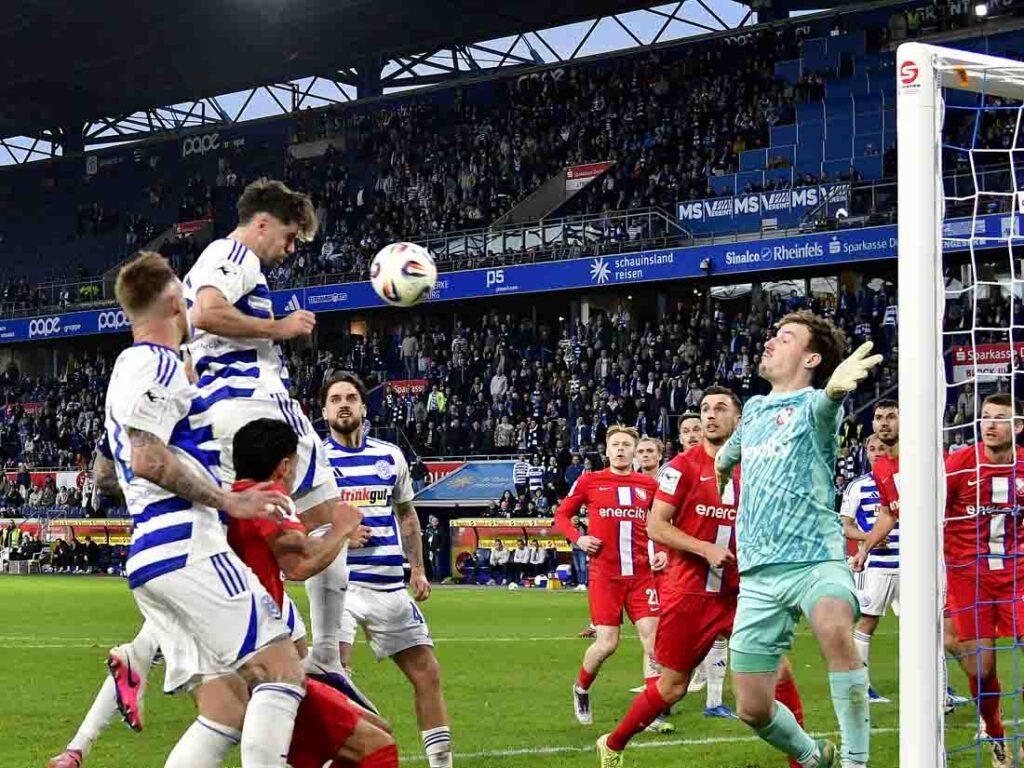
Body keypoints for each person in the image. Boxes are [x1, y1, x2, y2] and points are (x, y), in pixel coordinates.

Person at [99, 251, 306, 768]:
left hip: (149, 556)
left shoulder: (127, 368)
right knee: (282, 671)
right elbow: (148, 457)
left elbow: (108, 471)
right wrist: (228, 499)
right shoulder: (160, 364)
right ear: (175, 301)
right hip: (189, 548)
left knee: (225, 710)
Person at [183, 179, 350, 680]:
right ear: (263, 223)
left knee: (243, 538)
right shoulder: (234, 253)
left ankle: (245, 645)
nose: (290, 248)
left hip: (221, 416)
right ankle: (325, 651)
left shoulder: (210, 263)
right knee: (331, 516)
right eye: (290, 236)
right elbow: (207, 313)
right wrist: (280, 328)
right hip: (257, 408)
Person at [598, 386, 806, 768]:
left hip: (743, 592)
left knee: (778, 669)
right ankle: (612, 744)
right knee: (673, 687)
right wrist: (704, 548)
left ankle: (802, 763)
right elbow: (657, 526)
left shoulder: (756, 466)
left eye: (720, 408)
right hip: (691, 593)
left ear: (738, 420)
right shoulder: (682, 468)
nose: (710, 415)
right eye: (705, 409)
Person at [715, 311, 882, 768]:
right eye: (772, 334)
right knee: (751, 707)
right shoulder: (752, 410)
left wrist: (833, 390)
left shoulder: (814, 405)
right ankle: (812, 757)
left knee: (832, 624)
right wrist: (722, 467)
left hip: (814, 559)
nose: (770, 342)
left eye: (784, 338)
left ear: (810, 357)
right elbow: (732, 450)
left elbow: (827, 407)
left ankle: (855, 761)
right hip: (758, 574)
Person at [858, 392, 1024, 767]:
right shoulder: (958, 465)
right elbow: (920, 512)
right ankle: (996, 734)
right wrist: (868, 544)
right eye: (985, 417)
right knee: (981, 668)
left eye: (1000, 418)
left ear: (1018, 427)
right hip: (968, 578)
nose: (990, 424)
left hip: (1017, 574)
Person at [227, 418, 396, 768]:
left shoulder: (228, 501)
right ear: (285, 465)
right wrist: (342, 527)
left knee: (367, 734)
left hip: (232, 657)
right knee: (377, 748)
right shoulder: (270, 501)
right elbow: (300, 565)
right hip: (264, 664)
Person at [321, 371, 454, 768]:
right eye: (335, 399)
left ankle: (442, 764)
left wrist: (418, 569)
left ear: (363, 407)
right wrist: (339, 534)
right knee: (337, 678)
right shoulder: (316, 460)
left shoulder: (389, 455)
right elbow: (298, 520)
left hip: (389, 587)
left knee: (427, 673)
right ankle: (353, 753)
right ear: (325, 411)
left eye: (350, 397)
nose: (343, 404)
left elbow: (407, 515)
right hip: (338, 588)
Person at [851, 401, 970, 715]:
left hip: (944, 557)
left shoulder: (925, 457)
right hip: (914, 561)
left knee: (948, 635)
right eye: (878, 418)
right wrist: (865, 548)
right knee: (937, 633)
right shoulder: (881, 468)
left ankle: (978, 692)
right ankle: (947, 696)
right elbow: (889, 514)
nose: (884, 423)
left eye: (891, 417)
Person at [554, 426, 664, 727]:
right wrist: (579, 538)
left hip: (641, 574)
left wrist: (664, 550)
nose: (620, 449)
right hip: (605, 576)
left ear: (634, 451)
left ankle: (651, 710)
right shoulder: (591, 481)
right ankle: (581, 688)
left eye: (626, 445)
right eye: (615, 444)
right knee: (607, 644)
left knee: (654, 644)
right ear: (606, 450)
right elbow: (562, 515)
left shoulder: (648, 485)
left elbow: (665, 523)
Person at [839, 431, 894, 704]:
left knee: (927, 625)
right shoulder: (857, 487)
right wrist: (870, 539)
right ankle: (862, 686)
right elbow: (846, 527)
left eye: (882, 447)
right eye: (872, 448)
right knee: (867, 621)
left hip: (912, 564)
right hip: (876, 565)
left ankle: (939, 688)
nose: (877, 452)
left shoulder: (903, 478)